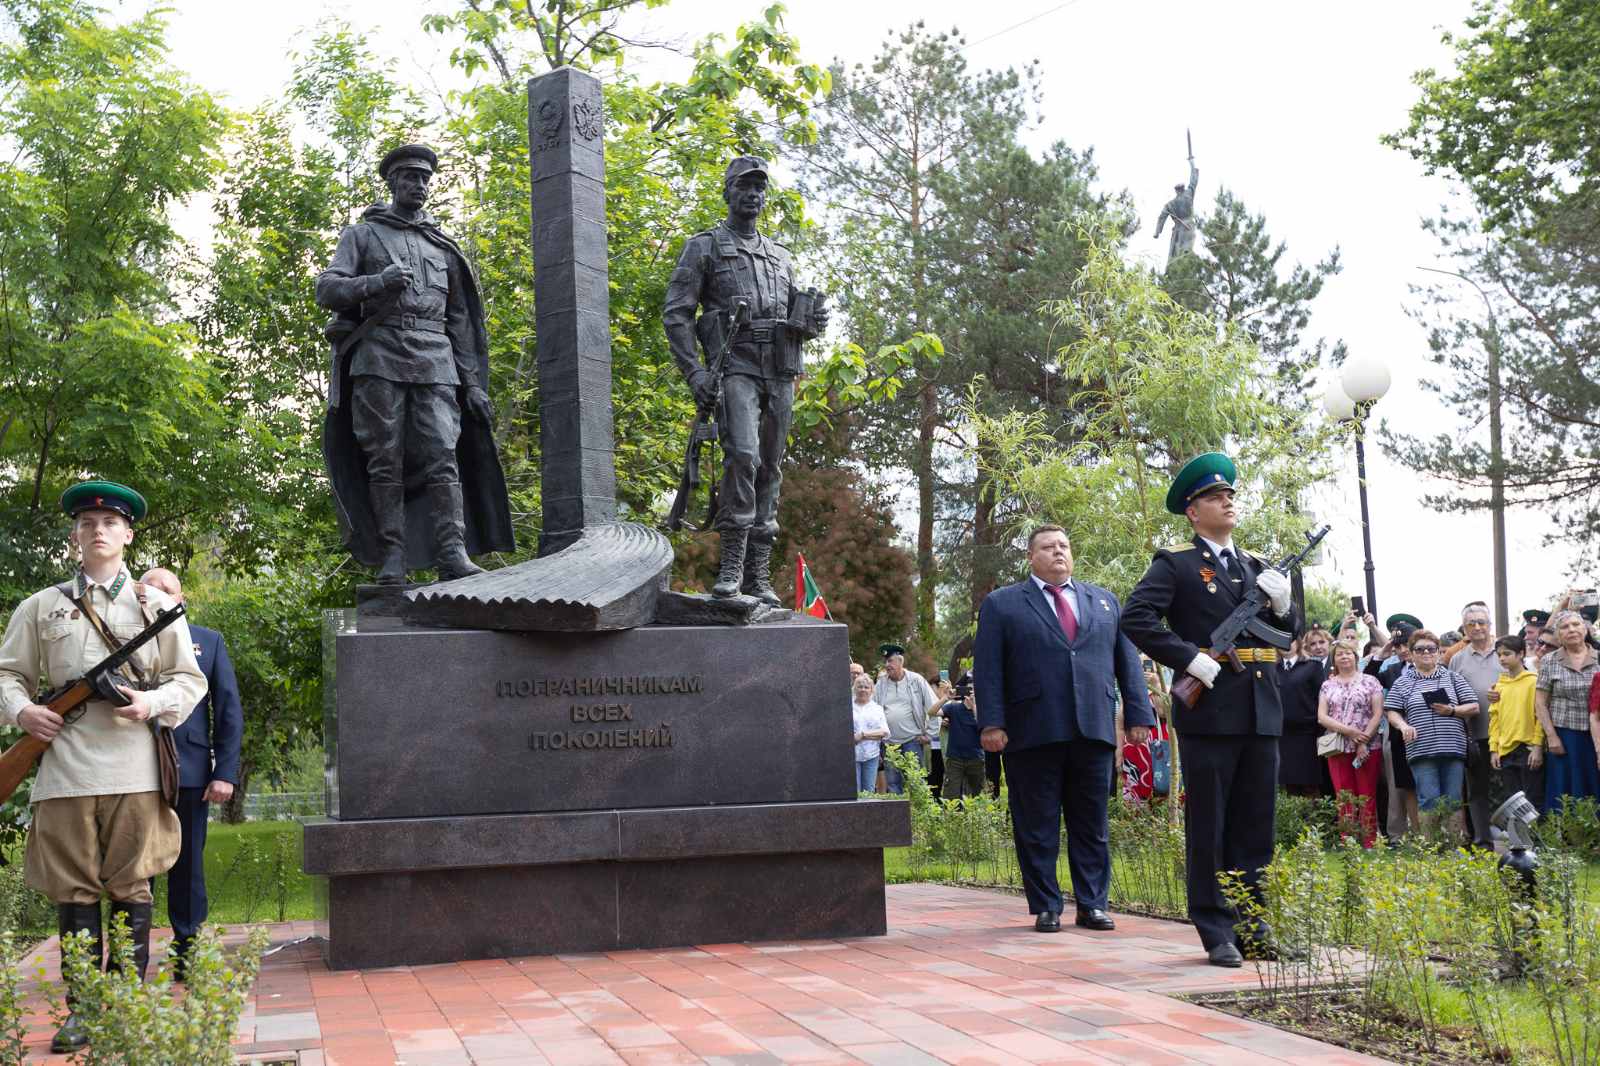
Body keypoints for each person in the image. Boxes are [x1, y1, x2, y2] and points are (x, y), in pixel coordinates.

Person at [0, 482, 206, 1053]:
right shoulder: (41, 607)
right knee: (75, 892)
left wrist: (153, 704)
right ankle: (86, 1009)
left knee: (132, 885)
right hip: (64, 770)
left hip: (133, 769)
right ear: (74, 537)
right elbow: (7, 674)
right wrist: (23, 712)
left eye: (109, 522)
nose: (98, 530)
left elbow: (190, 679)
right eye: (88, 523)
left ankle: (126, 1003)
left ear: (127, 535)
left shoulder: (157, 608)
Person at [1121, 453, 1300, 967]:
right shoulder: (1175, 563)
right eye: (1216, 497)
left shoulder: (1259, 567)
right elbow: (1137, 617)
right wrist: (1189, 658)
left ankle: (1254, 922)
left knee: (1255, 825)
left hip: (1261, 712)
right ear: (1193, 512)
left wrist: (1285, 605)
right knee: (1211, 823)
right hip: (1211, 711)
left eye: (1231, 495)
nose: (1229, 502)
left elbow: (1289, 639)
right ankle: (1216, 928)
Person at [315, 143, 511, 584]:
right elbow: (327, 288)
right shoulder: (363, 235)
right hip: (380, 357)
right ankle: (392, 557)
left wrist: (474, 383)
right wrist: (376, 282)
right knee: (385, 459)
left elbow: (461, 320)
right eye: (410, 178)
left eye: (425, 179)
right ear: (393, 182)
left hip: (437, 361)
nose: (419, 186)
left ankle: (452, 552)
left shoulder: (441, 245)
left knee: (443, 454)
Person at [662, 155, 828, 602]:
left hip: (779, 369)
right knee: (743, 456)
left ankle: (758, 574)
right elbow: (676, 315)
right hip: (734, 365)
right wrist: (694, 371)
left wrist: (813, 320)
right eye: (744, 187)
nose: (753, 195)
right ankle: (731, 567)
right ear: (728, 193)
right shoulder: (705, 247)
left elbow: (799, 315)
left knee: (771, 467)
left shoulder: (780, 256)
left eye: (759, 188)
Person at [976, 525, 1154, 933]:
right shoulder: (1003, 605)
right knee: (1036, 824)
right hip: (1030, 730)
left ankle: (1092, 904)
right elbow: (988, 669)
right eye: (1047, 547)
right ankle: (1046, 906)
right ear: (1030, 556)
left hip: (1091, 728)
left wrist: (1140, 716)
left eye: (1064, 546)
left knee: (1091, 823)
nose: (1058, 552)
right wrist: (992, 723)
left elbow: (1127, 662)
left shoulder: (1104, 601)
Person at [138, 568, 243, 979]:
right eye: (152, 587)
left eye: (169, 589)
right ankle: (131, 959)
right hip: (133, 771)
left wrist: (226, 772)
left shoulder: (208, 641)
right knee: (133, 868)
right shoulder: (122, 639)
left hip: (193, 772)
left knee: (187, 868)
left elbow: (229, 710)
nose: (160, 593)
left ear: (182, 600)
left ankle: (186, 952)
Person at [1385, 629, 1479, 838]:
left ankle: (1452, 845)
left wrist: (1452, 710)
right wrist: (1403, 726)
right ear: (1411, 653)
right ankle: (1431, 847)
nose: (1426, 652)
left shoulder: (1453, 677)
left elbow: (1474, 706)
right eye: (1420, 649)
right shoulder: (1403, 682)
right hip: (1421, 750)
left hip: (1453, 748)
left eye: (1431, 648)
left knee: (1453, 798)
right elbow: (1392, 711)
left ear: (1438, 652)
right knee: (1428, 798)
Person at [1317, 639, 1386, 846]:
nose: (1344, 656)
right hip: (1337, 746)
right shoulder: (1327, 684)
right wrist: (1349, 732)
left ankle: (1369, 841)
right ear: (1334, 660)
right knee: (1343, 795)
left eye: (1348, 653)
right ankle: (1348, 841)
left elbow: (1377, 713)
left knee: (1367, 795)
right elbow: (1322, 716)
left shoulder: (1370, 681)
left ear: (1355, 657)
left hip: (1368, 746)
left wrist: (1363, 739)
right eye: (1339, 654)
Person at [1536, 610, 1600, 813]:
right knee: (1564, 789)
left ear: (1586, 629)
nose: (1571, 629)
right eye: (1565, 627)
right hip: (1565, 735)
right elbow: (1540, 703)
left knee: (1594, 784)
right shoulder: (1549, 661)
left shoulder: (1599, 657)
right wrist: (1551, 736)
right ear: (1558, 635)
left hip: (1597, 735)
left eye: (1576, 624)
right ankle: (1564, 840)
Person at [1448, 602, 1500, 848]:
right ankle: (1483, 843)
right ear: (1465, 629)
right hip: (1474, 734)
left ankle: (1520, 842)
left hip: (1508, 735)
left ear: (1490, 625)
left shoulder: (1505, 651)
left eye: (1482, 622)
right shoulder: (1457, 660)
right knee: (1477, 791)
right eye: (1472, 623)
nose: (1477, 627)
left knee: (1512, 789)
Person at [1488, 635, 1543, 812]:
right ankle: (1520, 840)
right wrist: (1494, 749)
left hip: (1527, 749)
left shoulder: (1533, 681)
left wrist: (1537, 746)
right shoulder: (1499, 685)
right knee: (1514, 803)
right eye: (1499, 655)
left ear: (1521, 654)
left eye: (1507, 653)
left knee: (1534, 800)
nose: (1502, 658)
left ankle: (1537, 839)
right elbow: (1494, 719)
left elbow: (1540, 717)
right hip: (1506, 751)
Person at [874, 644, 938, 794]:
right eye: (886, 662)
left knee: (916, 783)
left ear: (900, 661)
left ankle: (918, 817)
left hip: (913, 741)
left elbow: (934, 707)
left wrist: (930, 734)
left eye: (890, 661)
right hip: (890, 744)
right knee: (893, 784)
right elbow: (874, 711)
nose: (887, 665)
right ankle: (897, 817)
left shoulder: (916, 680)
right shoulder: (881, 683)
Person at [1278, 626, 1330, 797]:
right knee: (1287, 787)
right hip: (1281, 736)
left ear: (1298, 643)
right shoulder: (1272, 668)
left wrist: (1321, 734)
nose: (1286, 644)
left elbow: (1321, 701)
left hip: (1307, 736)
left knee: (1310, 787)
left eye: (1290, 639)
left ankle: (1314, 823)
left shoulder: (1312, 666)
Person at [940, 675, 987, 800]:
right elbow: (932, 712)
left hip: (976, 758)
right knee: (950, 797)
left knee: (980, 796)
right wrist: (945, 698)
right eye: (969, 689)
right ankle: (953, 819)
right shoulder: (953, 707)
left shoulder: (983, 709)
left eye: (974, 690)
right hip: (955, 759)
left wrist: (974, 707)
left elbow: (983, 728)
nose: (971, 693)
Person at [850, 674, 889, 796]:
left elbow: (884, 732)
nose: (863, 689)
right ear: (854, 688)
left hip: (871, 755)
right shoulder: (848, 707)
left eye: (866, 687)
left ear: (871, 690)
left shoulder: (877, 708)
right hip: (852, 755)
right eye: (860, 686)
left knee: (868, 792)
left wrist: (862, 735)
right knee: (853, 792)